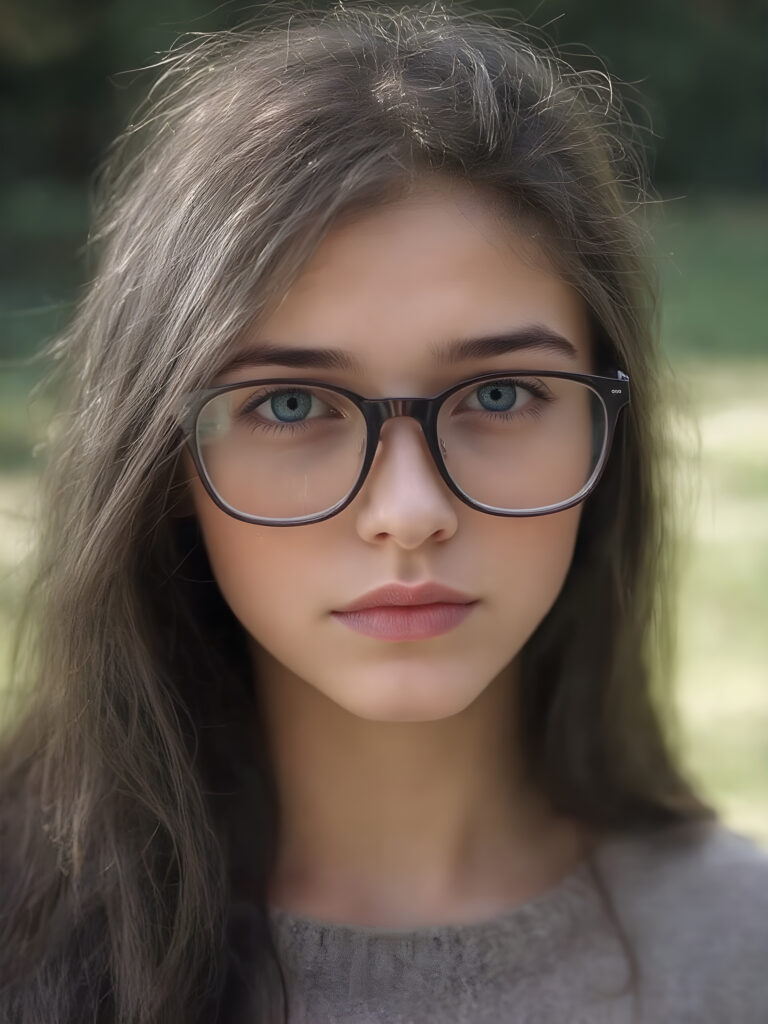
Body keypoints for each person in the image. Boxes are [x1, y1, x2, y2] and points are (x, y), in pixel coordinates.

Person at [1, 3, 766, 1022]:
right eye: (289, 404)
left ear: (603, 431)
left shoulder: (736, 950)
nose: (409, 512)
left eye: (500, 395)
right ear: (163, 461)